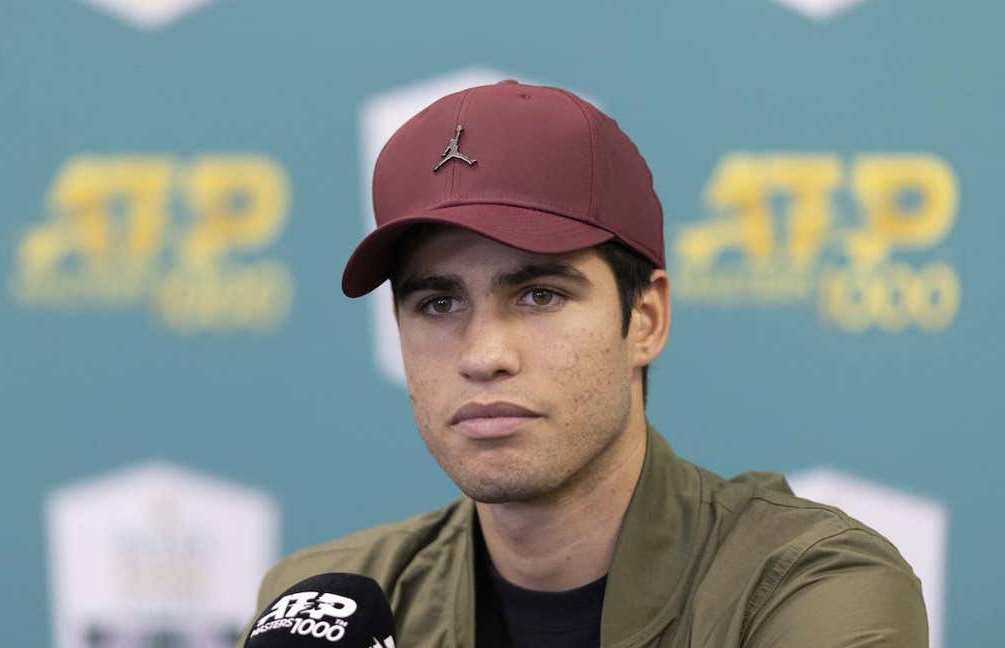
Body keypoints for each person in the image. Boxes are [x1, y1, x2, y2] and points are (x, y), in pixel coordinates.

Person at [247, 80, 927, 647]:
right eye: (437, 304)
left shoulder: (805, 582)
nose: (484, 355)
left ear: (647, 319)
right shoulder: (322, 605)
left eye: (539, 295)